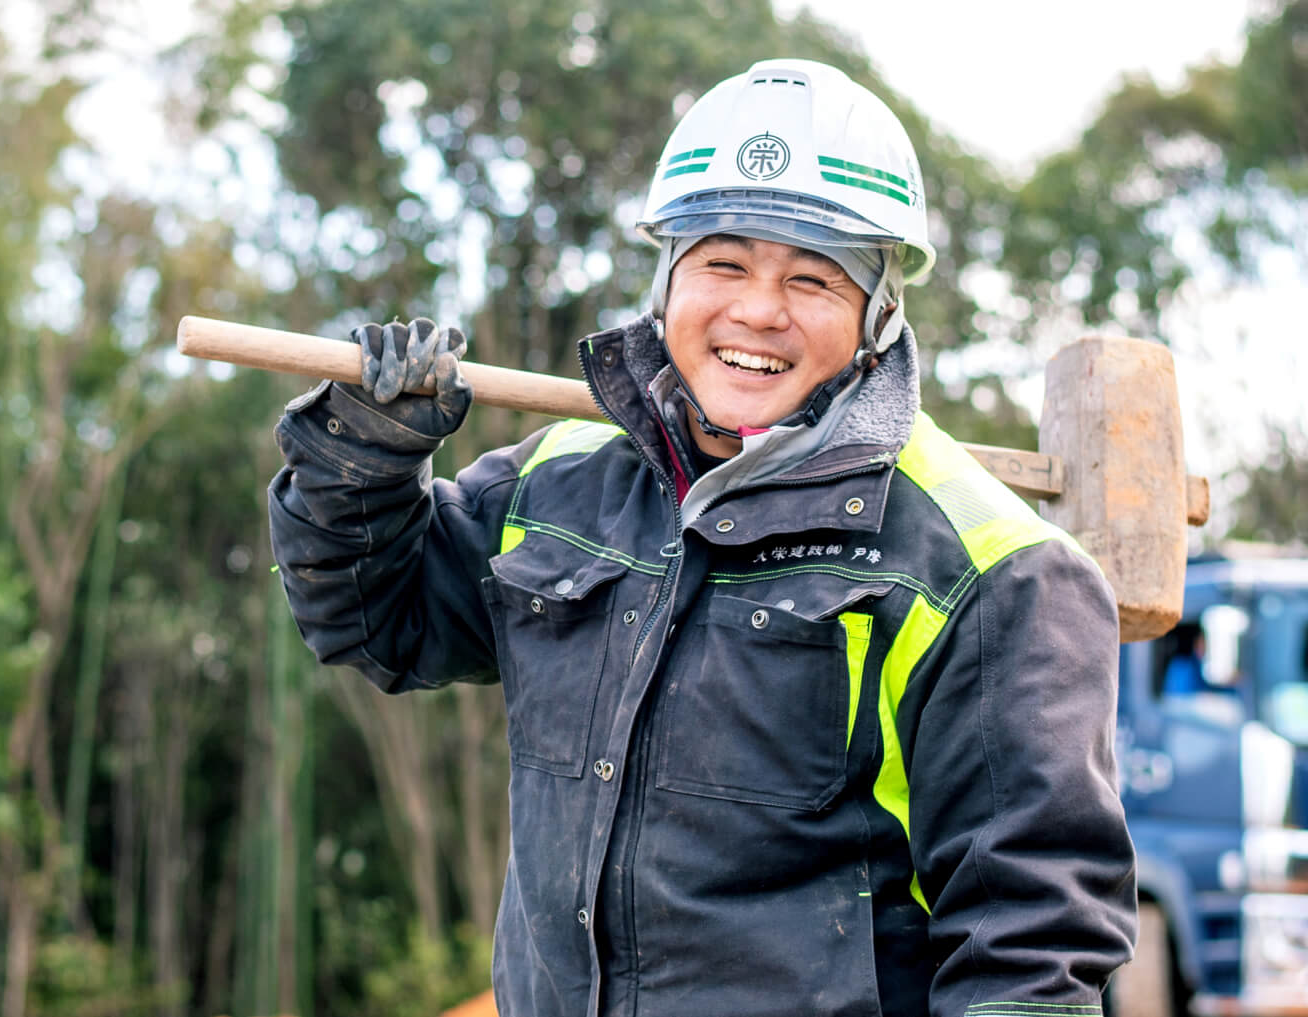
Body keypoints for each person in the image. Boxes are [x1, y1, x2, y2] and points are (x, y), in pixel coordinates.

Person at [269, 57, 1135, 1017]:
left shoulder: (990, 573)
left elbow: (1032, 944)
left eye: (812, 277)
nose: (756, 310)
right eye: (723, 263)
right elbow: (373, 621)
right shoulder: (558, 484)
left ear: (880, 311)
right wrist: (363, 464)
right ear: (665, 277)